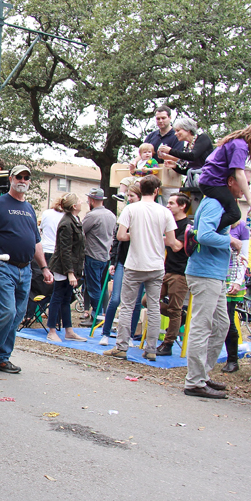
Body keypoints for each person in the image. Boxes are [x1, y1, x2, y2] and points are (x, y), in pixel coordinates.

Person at [0, 165, 53, 374]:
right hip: (2, 266)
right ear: (11, 178)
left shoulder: (29, 209)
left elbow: (36, 243)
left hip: (26, 269)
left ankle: (3, 357)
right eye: (18, 176)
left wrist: (45, 268)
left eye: (26, 177)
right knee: (7, 310)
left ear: (29, 181)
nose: (22, 180)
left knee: (19, 313)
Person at [103, 175, 178, 362]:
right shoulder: (165, 212)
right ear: (156, 191)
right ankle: (151, 348)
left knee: (127, 306)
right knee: (153, 307)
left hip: (134, 263)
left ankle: (121, 346)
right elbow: (170, 241)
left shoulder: (131, 209)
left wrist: (135, 235)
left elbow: (121, 236)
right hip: (156, 264)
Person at [182, 171, 240, 399]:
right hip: (204, 274)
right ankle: (194, 382)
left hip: (215, 274)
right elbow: (204, 235)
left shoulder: (218, 202)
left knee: (221, 325)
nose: (246, 186)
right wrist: (230, 240)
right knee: (202, 326)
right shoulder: (215, 203)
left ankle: (201, 376)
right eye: (244, 180)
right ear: (230, 181)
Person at [99, 183, 145, 346]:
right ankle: (105, 332)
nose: (129, 198)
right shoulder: (126, 213)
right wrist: (114, 261)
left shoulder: (144, 214)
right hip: (123, 262)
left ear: (140, 196)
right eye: (129, 195)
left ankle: (130, 335)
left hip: (140, 263)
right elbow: (117, 239)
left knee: (136, 302)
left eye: (132, 195)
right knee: (116, 298)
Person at [190, 125, 251, 236]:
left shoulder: (237, 142)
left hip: (210, 181)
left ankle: (205, 231)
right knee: (235, 214)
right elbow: (240, 174)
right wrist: (249, 200)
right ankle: (203, 233)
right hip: (212, 182)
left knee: (231, 211)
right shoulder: (241, 146)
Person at [46, 193, 87, 343]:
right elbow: (65, 249)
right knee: (57, 297)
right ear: (74, 206)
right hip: (62, 267)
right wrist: (70, 273)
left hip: (72, 266)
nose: (82, 202)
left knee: (66, 299)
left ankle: (68, 330)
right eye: (79, 201)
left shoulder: (75, 221)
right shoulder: (66, 224)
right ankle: (51, 330)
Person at [156, 193, 192, 356]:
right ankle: (179, 316)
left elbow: (177, 245)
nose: (168, 206)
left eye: (171, 203)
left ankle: (168, 344)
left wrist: (155, 236)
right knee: (147, 300)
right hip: (165, 269)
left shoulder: (188, 226)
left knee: (175, 309)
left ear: (182, 206)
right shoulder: (168, 224)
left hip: (180, 272)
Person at [80, 187, 116, 326]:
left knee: (93, 288)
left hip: (93, 255)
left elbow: (80, 232)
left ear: (92, 200)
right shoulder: (111, 215)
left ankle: (96, 316)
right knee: (102, 287)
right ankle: (102, 316)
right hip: (105, 256)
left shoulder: (92, 215)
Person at [222, 220, 249, 373]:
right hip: (216, 274)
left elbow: (243, 256)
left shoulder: (242, 227)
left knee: (228, 319)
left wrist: (237, 281)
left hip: (232, 278)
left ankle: (232, 359)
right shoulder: (217, 222)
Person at [158, 117, 214, 183]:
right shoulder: (187, 147)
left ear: (188, 130)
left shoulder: (203, 138)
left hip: (209, 179)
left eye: (178, 130)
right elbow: (189, 171)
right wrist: (175, 166)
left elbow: (192, 156)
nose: (175, 134)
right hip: (194, 182)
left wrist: (170, 151)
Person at [38, 196, 65, 264]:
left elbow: (41, 229)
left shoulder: (46, 213)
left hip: (45, 249)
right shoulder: (66, 216)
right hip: (57, 251)